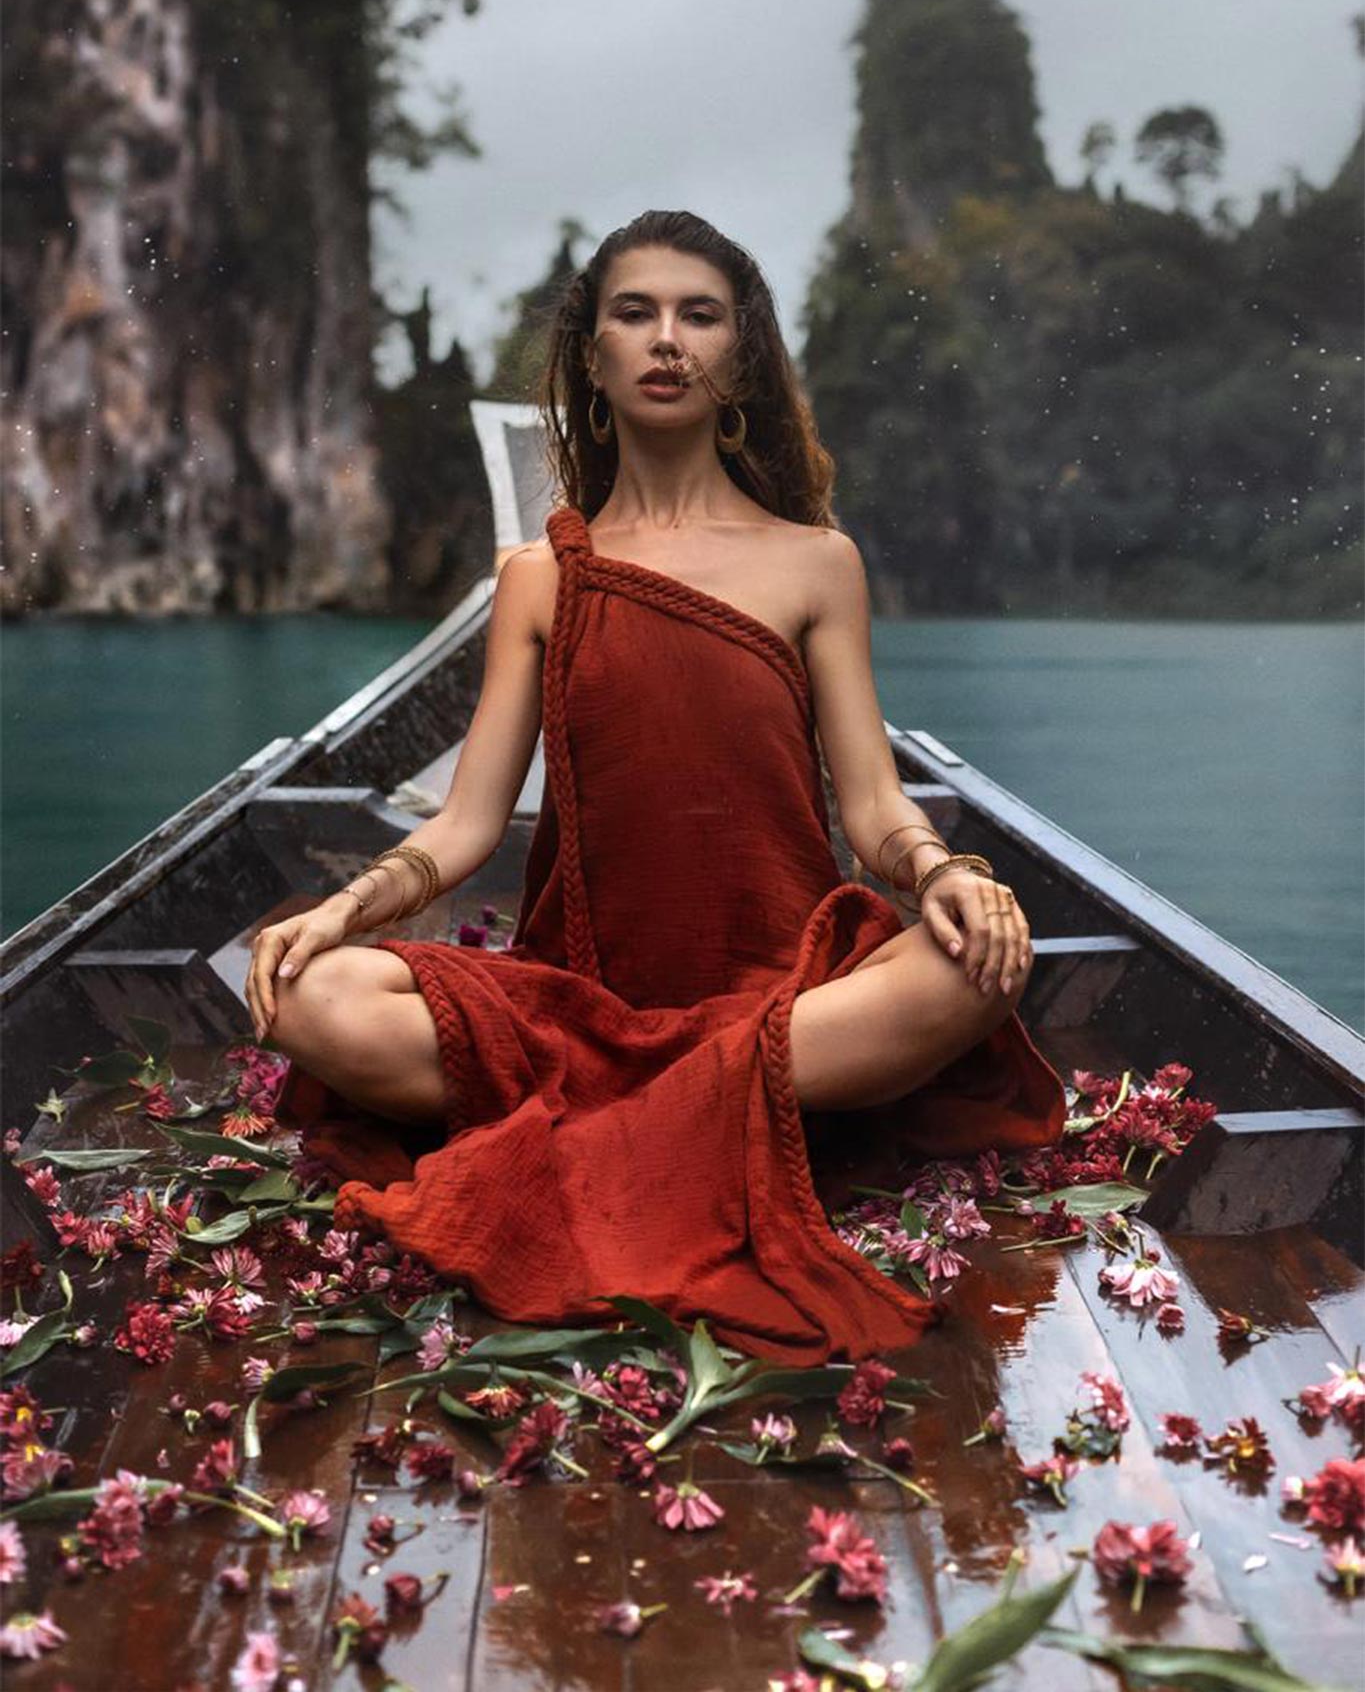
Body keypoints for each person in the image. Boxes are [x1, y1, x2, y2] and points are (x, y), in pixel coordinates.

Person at [256, 209, 1066, 1366]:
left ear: (740, 353)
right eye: (635, 313)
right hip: (581, 1013)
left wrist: (948, 870)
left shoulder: (816, 560)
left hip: (783, 994)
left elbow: (873, 808)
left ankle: (637, 1120)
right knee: (310, 996)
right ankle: (693, 1112)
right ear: (594, 358)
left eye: (700, 313)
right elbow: (468, 821)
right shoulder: (542, 574)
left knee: (972, 963)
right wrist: (338, 909)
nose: (667, 338)